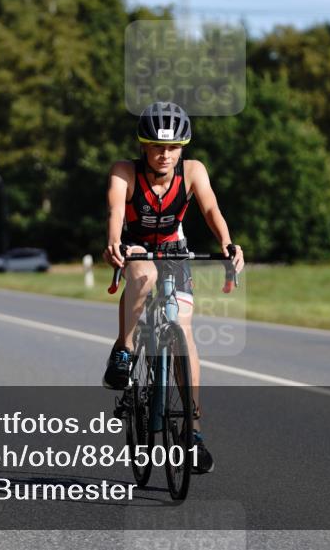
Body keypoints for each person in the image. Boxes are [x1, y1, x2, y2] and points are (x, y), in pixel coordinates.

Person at [102, 101, 245, 474]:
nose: (164, 155)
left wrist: (228, 245)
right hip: (136, 246)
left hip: (174, 249)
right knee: (144, 274)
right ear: (142, 147)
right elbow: (116, 209)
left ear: (183, 148)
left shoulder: (193, 171)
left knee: (183, 328)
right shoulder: (125, 172)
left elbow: (211, 209)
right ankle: (125, 348)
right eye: (156, 147)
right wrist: (115, 242)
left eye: (172, 148)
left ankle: (193, 435)